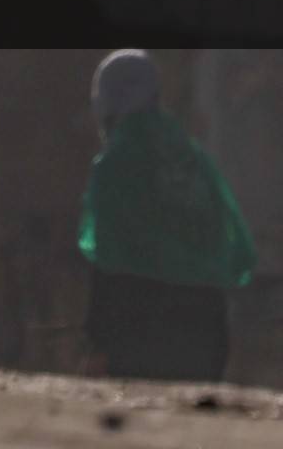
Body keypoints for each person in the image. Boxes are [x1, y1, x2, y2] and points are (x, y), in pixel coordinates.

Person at [78, 48, 255, 382]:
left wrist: (98, 342)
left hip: (138, 338)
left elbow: (109, 260)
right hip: (206, 336)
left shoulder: (117, 165)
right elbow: (228, 241)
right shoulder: (191, 158)